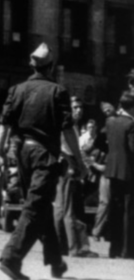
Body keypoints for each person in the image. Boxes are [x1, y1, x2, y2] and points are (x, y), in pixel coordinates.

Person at [0, 43, 88, 280]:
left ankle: (56, 262)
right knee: (35, 207)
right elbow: (67, 131)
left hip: (23, 154)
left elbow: (4, 125)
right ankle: (11, 258)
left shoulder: (16, 90)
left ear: (32, 65)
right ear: (51, 67)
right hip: (45, 156)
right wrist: (79, 160)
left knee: (41, 207)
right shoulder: (58, 92)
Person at [55, 96, 95, 258]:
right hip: (67, 166)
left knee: (62, 208)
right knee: (68, 209)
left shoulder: (74, 126)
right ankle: (74, 247)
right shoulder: (65, 125)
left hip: (68, 166)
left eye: (81, 107)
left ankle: (61, 246)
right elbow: (59, 147)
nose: (79, 110)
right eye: (75, 107)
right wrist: (73, 163)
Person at [103, 91, 134, 259]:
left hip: (112, 170)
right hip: (129, 172)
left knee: (115, 209)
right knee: (128, 211)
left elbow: (102, 143)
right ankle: (127, 249)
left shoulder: (109, 121)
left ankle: (113, 248)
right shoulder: (130, 124)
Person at [93, 102, 117, 240]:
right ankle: (97, 231)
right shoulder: (103, 132)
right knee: (105, 201)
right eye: (104, 110)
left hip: (118, 167)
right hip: (107, 169)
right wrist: (95, 164)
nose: (107, 110)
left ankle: (110, 233)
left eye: (109, 107)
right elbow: (90, 150)